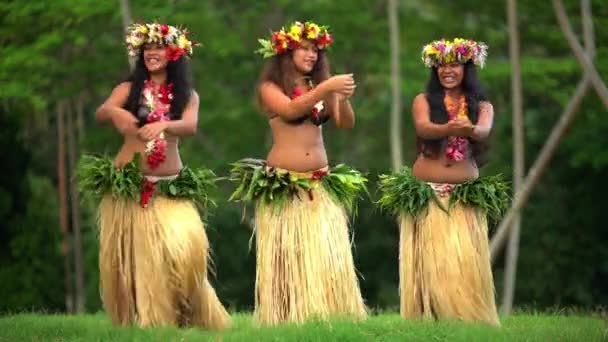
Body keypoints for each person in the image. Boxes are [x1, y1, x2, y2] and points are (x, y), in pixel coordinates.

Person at [77, 22, 230, 329]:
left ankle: (187, 309)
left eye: (158, 47)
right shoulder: (127, 90)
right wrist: (117, 112)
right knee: (141, 265)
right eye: (146, 49)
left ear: (173, 53)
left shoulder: (187, 96)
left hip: (171, 187)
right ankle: (150, 319)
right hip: (132, 188)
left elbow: (189, 126)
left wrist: (163, 125)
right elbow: (101, 112)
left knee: (187, 251)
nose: (151, 53)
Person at [229, 21, 367, 325]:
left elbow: (345, 123)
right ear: (286, 52)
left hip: (319, 183)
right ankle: (284, 314)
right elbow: (291, 110)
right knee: (286, 258)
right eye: (304, 48)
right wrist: (327, 87)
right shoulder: (270, 88)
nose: (312, 54)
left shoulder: (318, 86)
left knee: (324, 256)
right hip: (284, 186)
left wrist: (340, 98)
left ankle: (326, 311)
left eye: (316, 49)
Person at [378, 38, 509, 326]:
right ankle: (427, 315)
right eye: (441, 66)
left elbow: (484, 131)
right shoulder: (423, 101)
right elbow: (423, 127)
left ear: (468, 68)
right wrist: (450, 128)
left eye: (455, 65)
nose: (447, 71)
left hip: (464, 198)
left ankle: (466, 313)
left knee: (462, 262)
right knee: (428, 265)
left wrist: (470, 128)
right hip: (428, 196)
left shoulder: (482, 106)